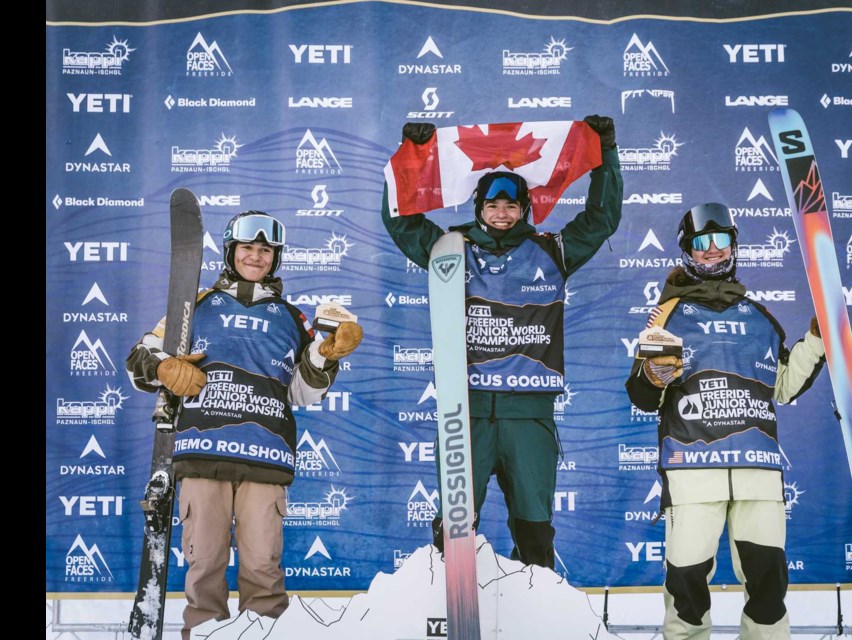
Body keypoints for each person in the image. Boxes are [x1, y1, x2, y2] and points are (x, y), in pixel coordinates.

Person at [382, 115, 622, 568]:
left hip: (529, 415)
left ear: (524, 209)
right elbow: (401, 221)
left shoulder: (553, 250)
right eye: (493, 204)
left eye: (512, 206)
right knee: (454, 528)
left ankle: (535, 612)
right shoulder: (450, 249)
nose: (502, 213)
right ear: (479, 208)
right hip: (464, 412)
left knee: (534, 528)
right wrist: (410, 155)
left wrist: (605, 153)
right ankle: (447, 612)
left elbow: (601, 218)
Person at [126, 211, 363, 639]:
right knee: (204, 567)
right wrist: (164, 370)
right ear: (231, 252)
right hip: (202, 454)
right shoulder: (194, 304)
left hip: (264, 455)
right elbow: (140, 359)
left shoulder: (292, 318)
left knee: (262, 569)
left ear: (275, 258)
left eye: (265, 250)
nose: (256, 256)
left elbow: (303, 392)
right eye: (248, 248)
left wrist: (326, 356)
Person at [624, 202, 826, 640]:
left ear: (734, 246)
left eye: (722, 241)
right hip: (692, 471)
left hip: (758, 472)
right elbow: (641, 395)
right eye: (702, 242)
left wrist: (816, 338)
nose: (713, 250)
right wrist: (653, 377)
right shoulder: (667, 314)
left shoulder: (758, 316)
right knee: (687, 585)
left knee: (768, 586)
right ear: (688, 252)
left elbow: (784, 386)